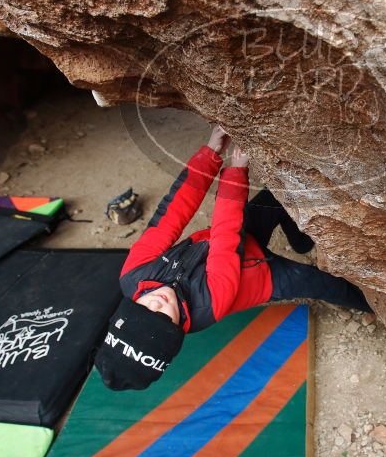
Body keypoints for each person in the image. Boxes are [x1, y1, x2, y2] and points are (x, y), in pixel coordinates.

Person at [95, 126, 371, 390]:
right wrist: (236, 171)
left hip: (234, 240)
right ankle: (371, 305)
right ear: (176, 332)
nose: (156, 303)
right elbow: (227, 236)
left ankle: (300, 242)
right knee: (326, 285)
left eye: (142, 310)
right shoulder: (209, 305)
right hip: (264, 275)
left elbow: (171, 214)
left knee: (276, 198)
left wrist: (210, 153)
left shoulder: (134, 274)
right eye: (162, 319)